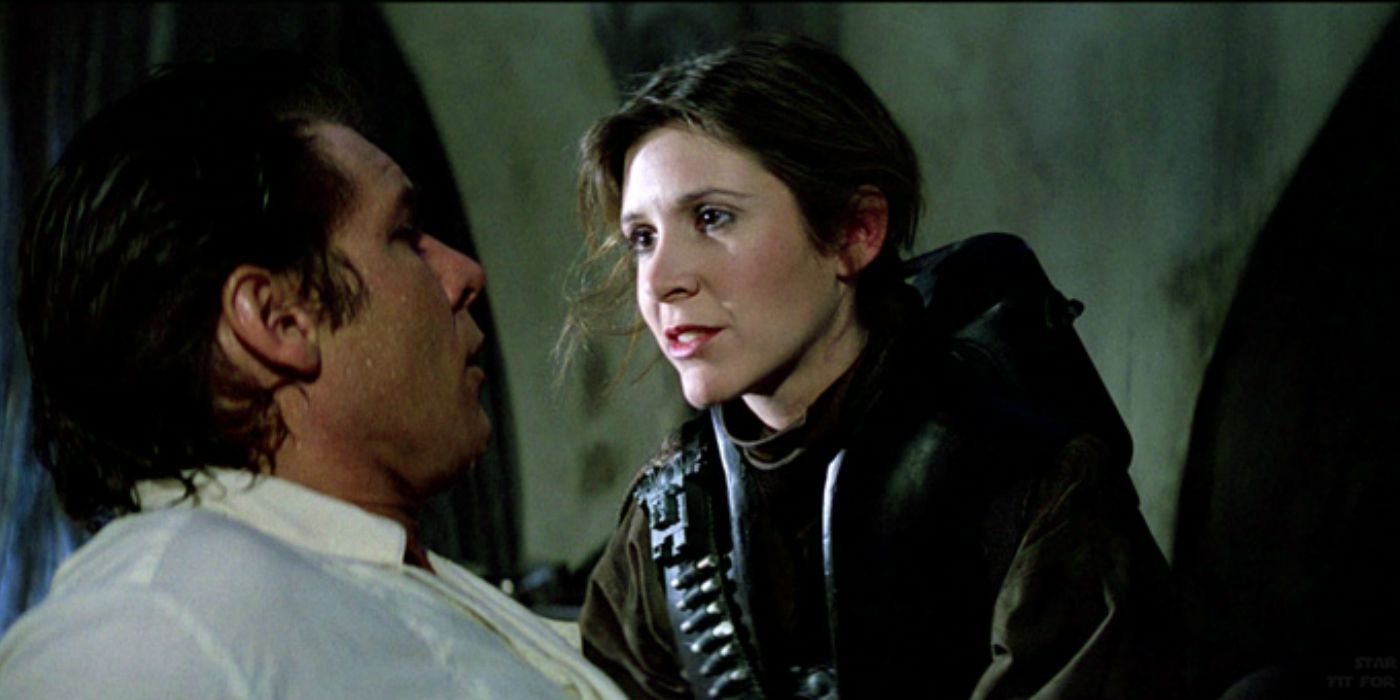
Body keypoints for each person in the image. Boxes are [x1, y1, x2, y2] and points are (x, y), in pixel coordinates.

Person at [564, 35, 1184, 699]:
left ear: (856, 232)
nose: (661, 280)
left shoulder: (1026, 485)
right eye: (642, 238)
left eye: (713, 218)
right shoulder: (669, 525)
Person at [0, 53, 623, 699]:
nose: (465, 274)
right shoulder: (153, 628)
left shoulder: (371, 576)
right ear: (278, 321)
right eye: (405, 235)